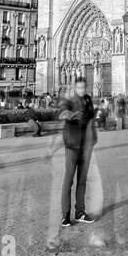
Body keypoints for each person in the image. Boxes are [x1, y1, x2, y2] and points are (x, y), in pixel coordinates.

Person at [57, 77, 97, 226]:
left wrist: (93, 139)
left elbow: (91, 120)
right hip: (72, 145)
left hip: (86, 146)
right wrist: (71, 115)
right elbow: (61, 113)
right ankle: (65, 215)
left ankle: (80, 212)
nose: (81, 90)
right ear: (75, 88)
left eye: (83, 88)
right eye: (78, 88)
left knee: (82, 180)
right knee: (68, 179)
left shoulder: (88, 100)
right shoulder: (68, 100)